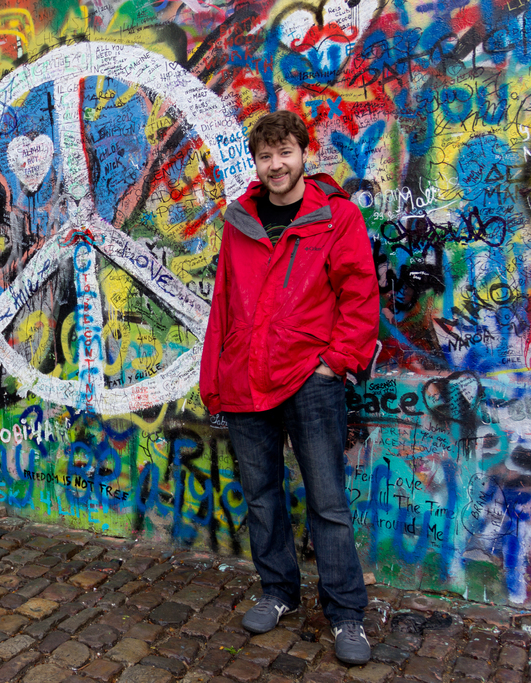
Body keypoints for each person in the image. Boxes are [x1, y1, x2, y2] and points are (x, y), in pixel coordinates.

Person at [199, 110, 379, 665]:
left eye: (285, 153)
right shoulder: (240, 222)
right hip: (245, 379)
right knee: (262, 496)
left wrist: (335, 362)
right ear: (256, 163)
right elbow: (224, 303)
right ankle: (277, 592)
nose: (276, 165)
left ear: (305, 154)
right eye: (265, 156)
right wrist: (214, 380)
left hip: (310, 381)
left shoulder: (336, 217)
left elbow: (359, 295)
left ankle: (346, 614)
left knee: (327, 502)